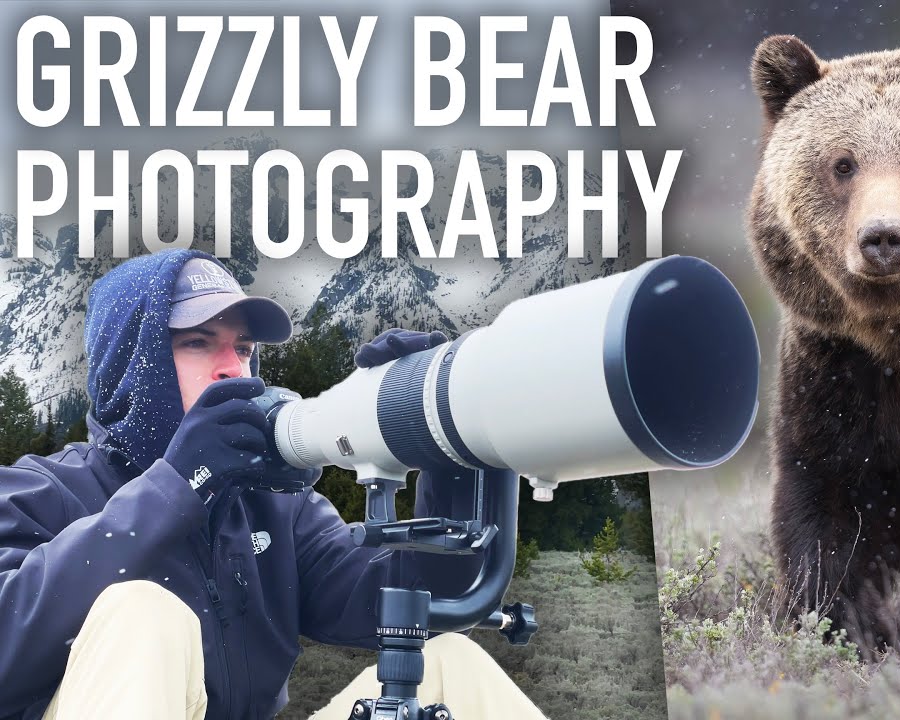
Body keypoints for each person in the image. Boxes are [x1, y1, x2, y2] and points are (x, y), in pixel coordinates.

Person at [0, 249, 546, 720]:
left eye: (241, 348)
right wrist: (177, 487)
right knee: (144, 612)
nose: (233, 369)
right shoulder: (40, 493)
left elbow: (418, 597)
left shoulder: (276, 509)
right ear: (130, 364)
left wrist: (446, 445)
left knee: (453, 664)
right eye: (196, 342)